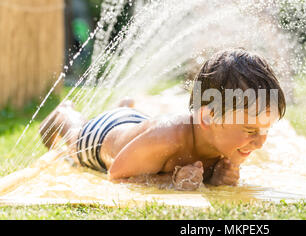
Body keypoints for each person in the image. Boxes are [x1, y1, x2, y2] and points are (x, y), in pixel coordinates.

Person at [39, 48, 286, 191]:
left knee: (135, 126)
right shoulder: (165, 139)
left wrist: (215, 179)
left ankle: (124, 107)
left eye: (266, 129)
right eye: (251, 129)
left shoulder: (225, 141)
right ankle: (66, 115)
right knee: (76, 137)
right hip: (102, 136)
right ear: (208, 118)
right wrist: (170, 181)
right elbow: (116, 176)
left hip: (137, 127)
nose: (260, 142)